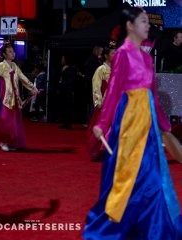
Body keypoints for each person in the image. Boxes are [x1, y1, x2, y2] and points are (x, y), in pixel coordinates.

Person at [83, 6, 182, 239]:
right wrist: (103, 124)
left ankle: (154, 227)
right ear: (130, 26)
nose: (148, 26)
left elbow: (152, 97)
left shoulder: (147, 59)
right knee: (127, 179)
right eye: (144, 21)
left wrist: (165, 128)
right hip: (127, 126)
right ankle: (115, 226)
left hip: (148, 128)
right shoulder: (122, 55)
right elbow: (114, 92)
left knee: (153, 177)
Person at [0, 42, 38, 152]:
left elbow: (23, 78)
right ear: (4, 55)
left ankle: (11, 142)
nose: (13, 53)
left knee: (13, 121)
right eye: (9, 52)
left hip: (14, 98)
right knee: (4, 120)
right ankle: (3, 141)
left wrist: (33, 88)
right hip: (3, 98)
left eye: (13, 51)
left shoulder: (14, 66)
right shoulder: (0, 66)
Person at [87, 44, 117, 161]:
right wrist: (99, 103)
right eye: (112, 53)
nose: (115, 55)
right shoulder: (101, 70)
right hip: (105, 104)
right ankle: (99, 150)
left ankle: (109, 150)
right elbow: (96, 87)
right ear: (106, 56)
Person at [58, 54, 76, 130]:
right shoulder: (63, 68)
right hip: (63, 91)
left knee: (68, 107)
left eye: (63, 58)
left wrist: (69, 90)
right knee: (64, 107)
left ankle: (69, 123)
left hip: (68, 91)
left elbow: (70, 81)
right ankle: (65, 122)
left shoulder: (71, 69)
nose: (62, 60)